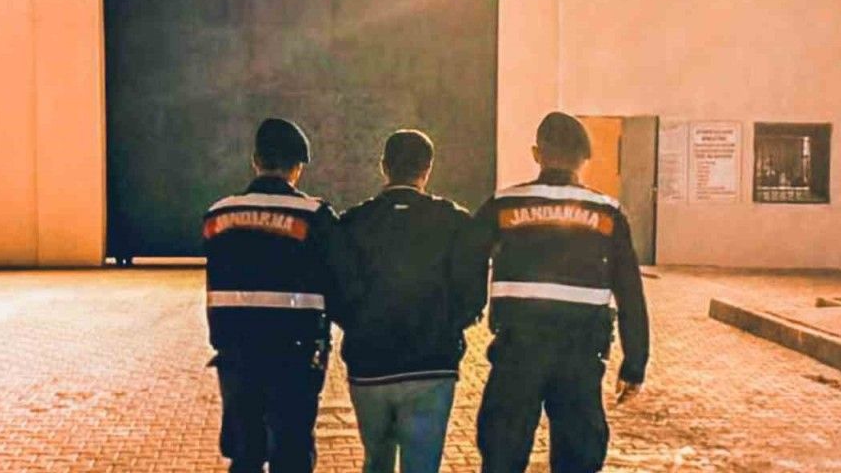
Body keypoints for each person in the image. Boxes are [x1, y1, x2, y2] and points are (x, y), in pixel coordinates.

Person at [470, 111, 651, 473]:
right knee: (578, 458)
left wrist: (468, 310)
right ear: (585, 159)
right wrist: (635, 363)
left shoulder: (503, 205)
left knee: (502, 454)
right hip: (580, 357)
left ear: (537, 154)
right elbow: (630, 293)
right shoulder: (608, 214)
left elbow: (467, 263)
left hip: (516, 354)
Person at [327, 129, 479, 473]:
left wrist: (359, 325)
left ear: (384, 166)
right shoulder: (455, 221)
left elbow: (335, 293)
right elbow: (472, 296)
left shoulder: (352, 223)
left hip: (369, 364)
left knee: (377, 462)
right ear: (428, 168)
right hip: (432, 364)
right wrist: (448, 327)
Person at [202, 118, 340, 473]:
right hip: (294, 355)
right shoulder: (315, 215)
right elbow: (336, 282)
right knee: (291, 452)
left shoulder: (219, 214)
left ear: (255, 160)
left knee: (245, 453)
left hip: (236, 354)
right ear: (297, 168)